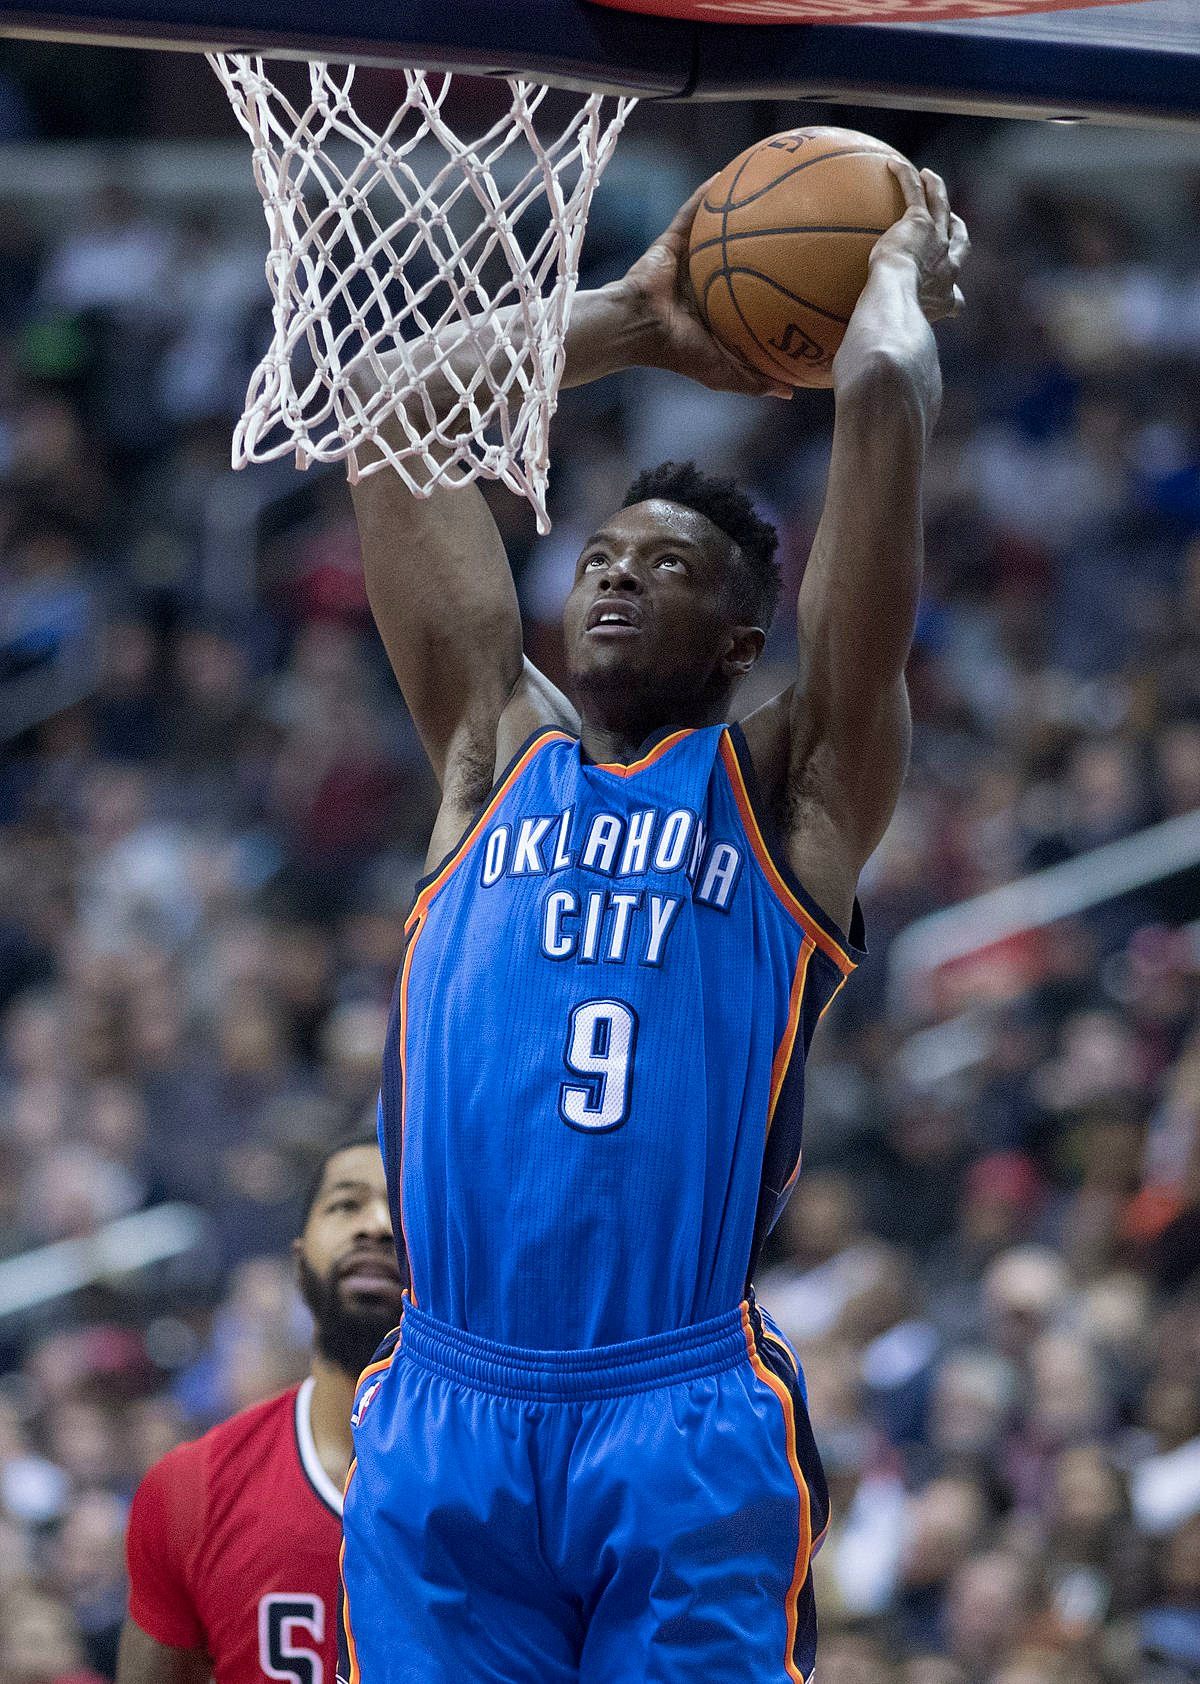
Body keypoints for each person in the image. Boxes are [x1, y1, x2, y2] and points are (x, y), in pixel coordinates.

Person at [341, 161, 968, 1683]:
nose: (616, 582)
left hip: (675, 1409)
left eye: (668, 569)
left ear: (746, 637)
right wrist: (631, 317)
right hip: (446, 1401)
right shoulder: (492, 754)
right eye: (602, 559)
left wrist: (888, 296)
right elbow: (383, 405)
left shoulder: (792, 793)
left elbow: (881, 410)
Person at [117, 1136, 405, 1684]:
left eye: (399, 1206)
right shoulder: (190, 1488)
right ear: (298, 1261)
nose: (374, 1225)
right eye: (346, 1203)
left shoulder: (506, 1483)